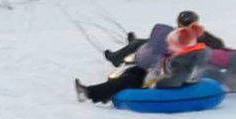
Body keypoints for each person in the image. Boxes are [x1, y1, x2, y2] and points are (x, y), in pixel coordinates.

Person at [76, 10, 213, 104]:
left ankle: (89, 93)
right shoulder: (174, 35)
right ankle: (105, 93)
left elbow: (190, 61)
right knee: (133, 70)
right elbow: (159, 46)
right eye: (181, 25)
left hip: (167, 77)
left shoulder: (198, 42)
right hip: (157, 69)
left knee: (131, 79)